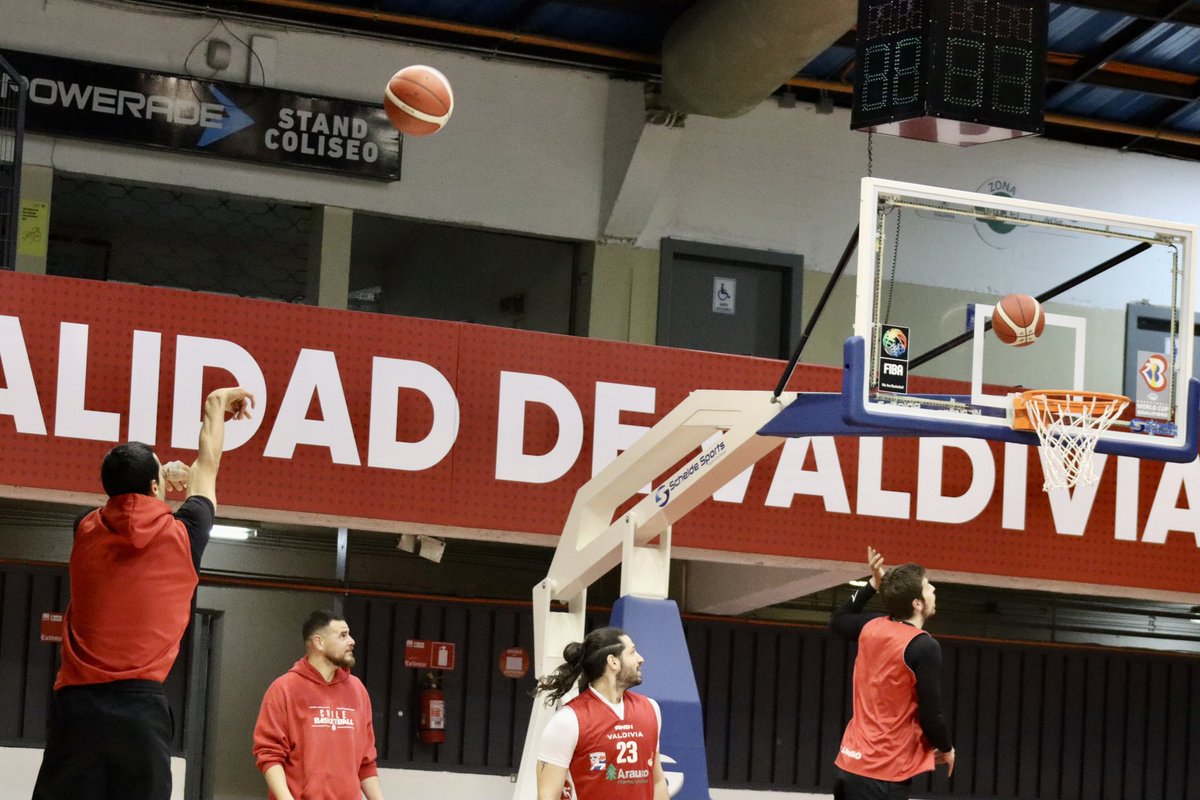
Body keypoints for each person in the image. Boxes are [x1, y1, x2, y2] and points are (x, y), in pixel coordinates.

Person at [32, 386, 255, 800]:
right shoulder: (187, 533)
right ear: (156, 486)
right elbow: (207, 463)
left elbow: (123, 505)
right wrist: (217, 404)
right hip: (140, 712)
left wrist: (156, 482)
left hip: (76, 709)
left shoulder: (84, 528)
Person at [830, 546, 955, 800]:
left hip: (849, 766)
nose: (934, 590)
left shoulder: (871, 626)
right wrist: (946, 747)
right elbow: (932, 713)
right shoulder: (923, 646)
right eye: (928, 586)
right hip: (882, 774)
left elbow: (839, 619)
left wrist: (871, 586)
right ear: (917, 603)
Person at [253, 611, 384, 800]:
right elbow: (269, 755)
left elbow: (366, 761)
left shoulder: (357, 690)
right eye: (342, 635)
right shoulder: (284, 689)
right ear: (319, 642)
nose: (352, 641)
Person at [533, 627, 669, 800]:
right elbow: (547, 796)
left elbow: (657, 781)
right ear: (613, 661)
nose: (641, 659)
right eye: (633, 652)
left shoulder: (651, 709)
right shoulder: (568, 720)